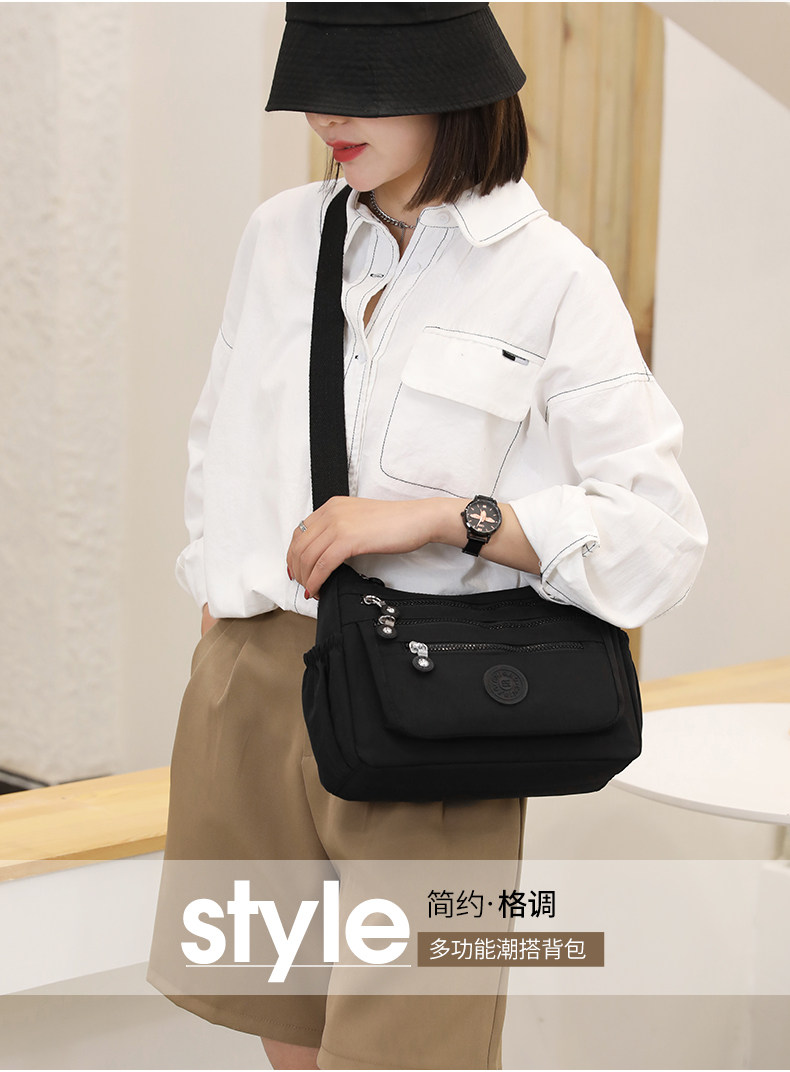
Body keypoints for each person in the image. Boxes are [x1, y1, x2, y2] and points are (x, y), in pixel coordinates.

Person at [147, 4, 707, 1069]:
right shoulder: (281, 235)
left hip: (432, 710)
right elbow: (221, 432)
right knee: (287, 1029)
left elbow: (659, 533)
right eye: (315, 86)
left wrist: (449, 517)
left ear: (453, 87)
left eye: (362, 87)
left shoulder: (553, 277)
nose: (327, 115)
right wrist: (217, 602)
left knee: (411, 1050)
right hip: (253, 679)